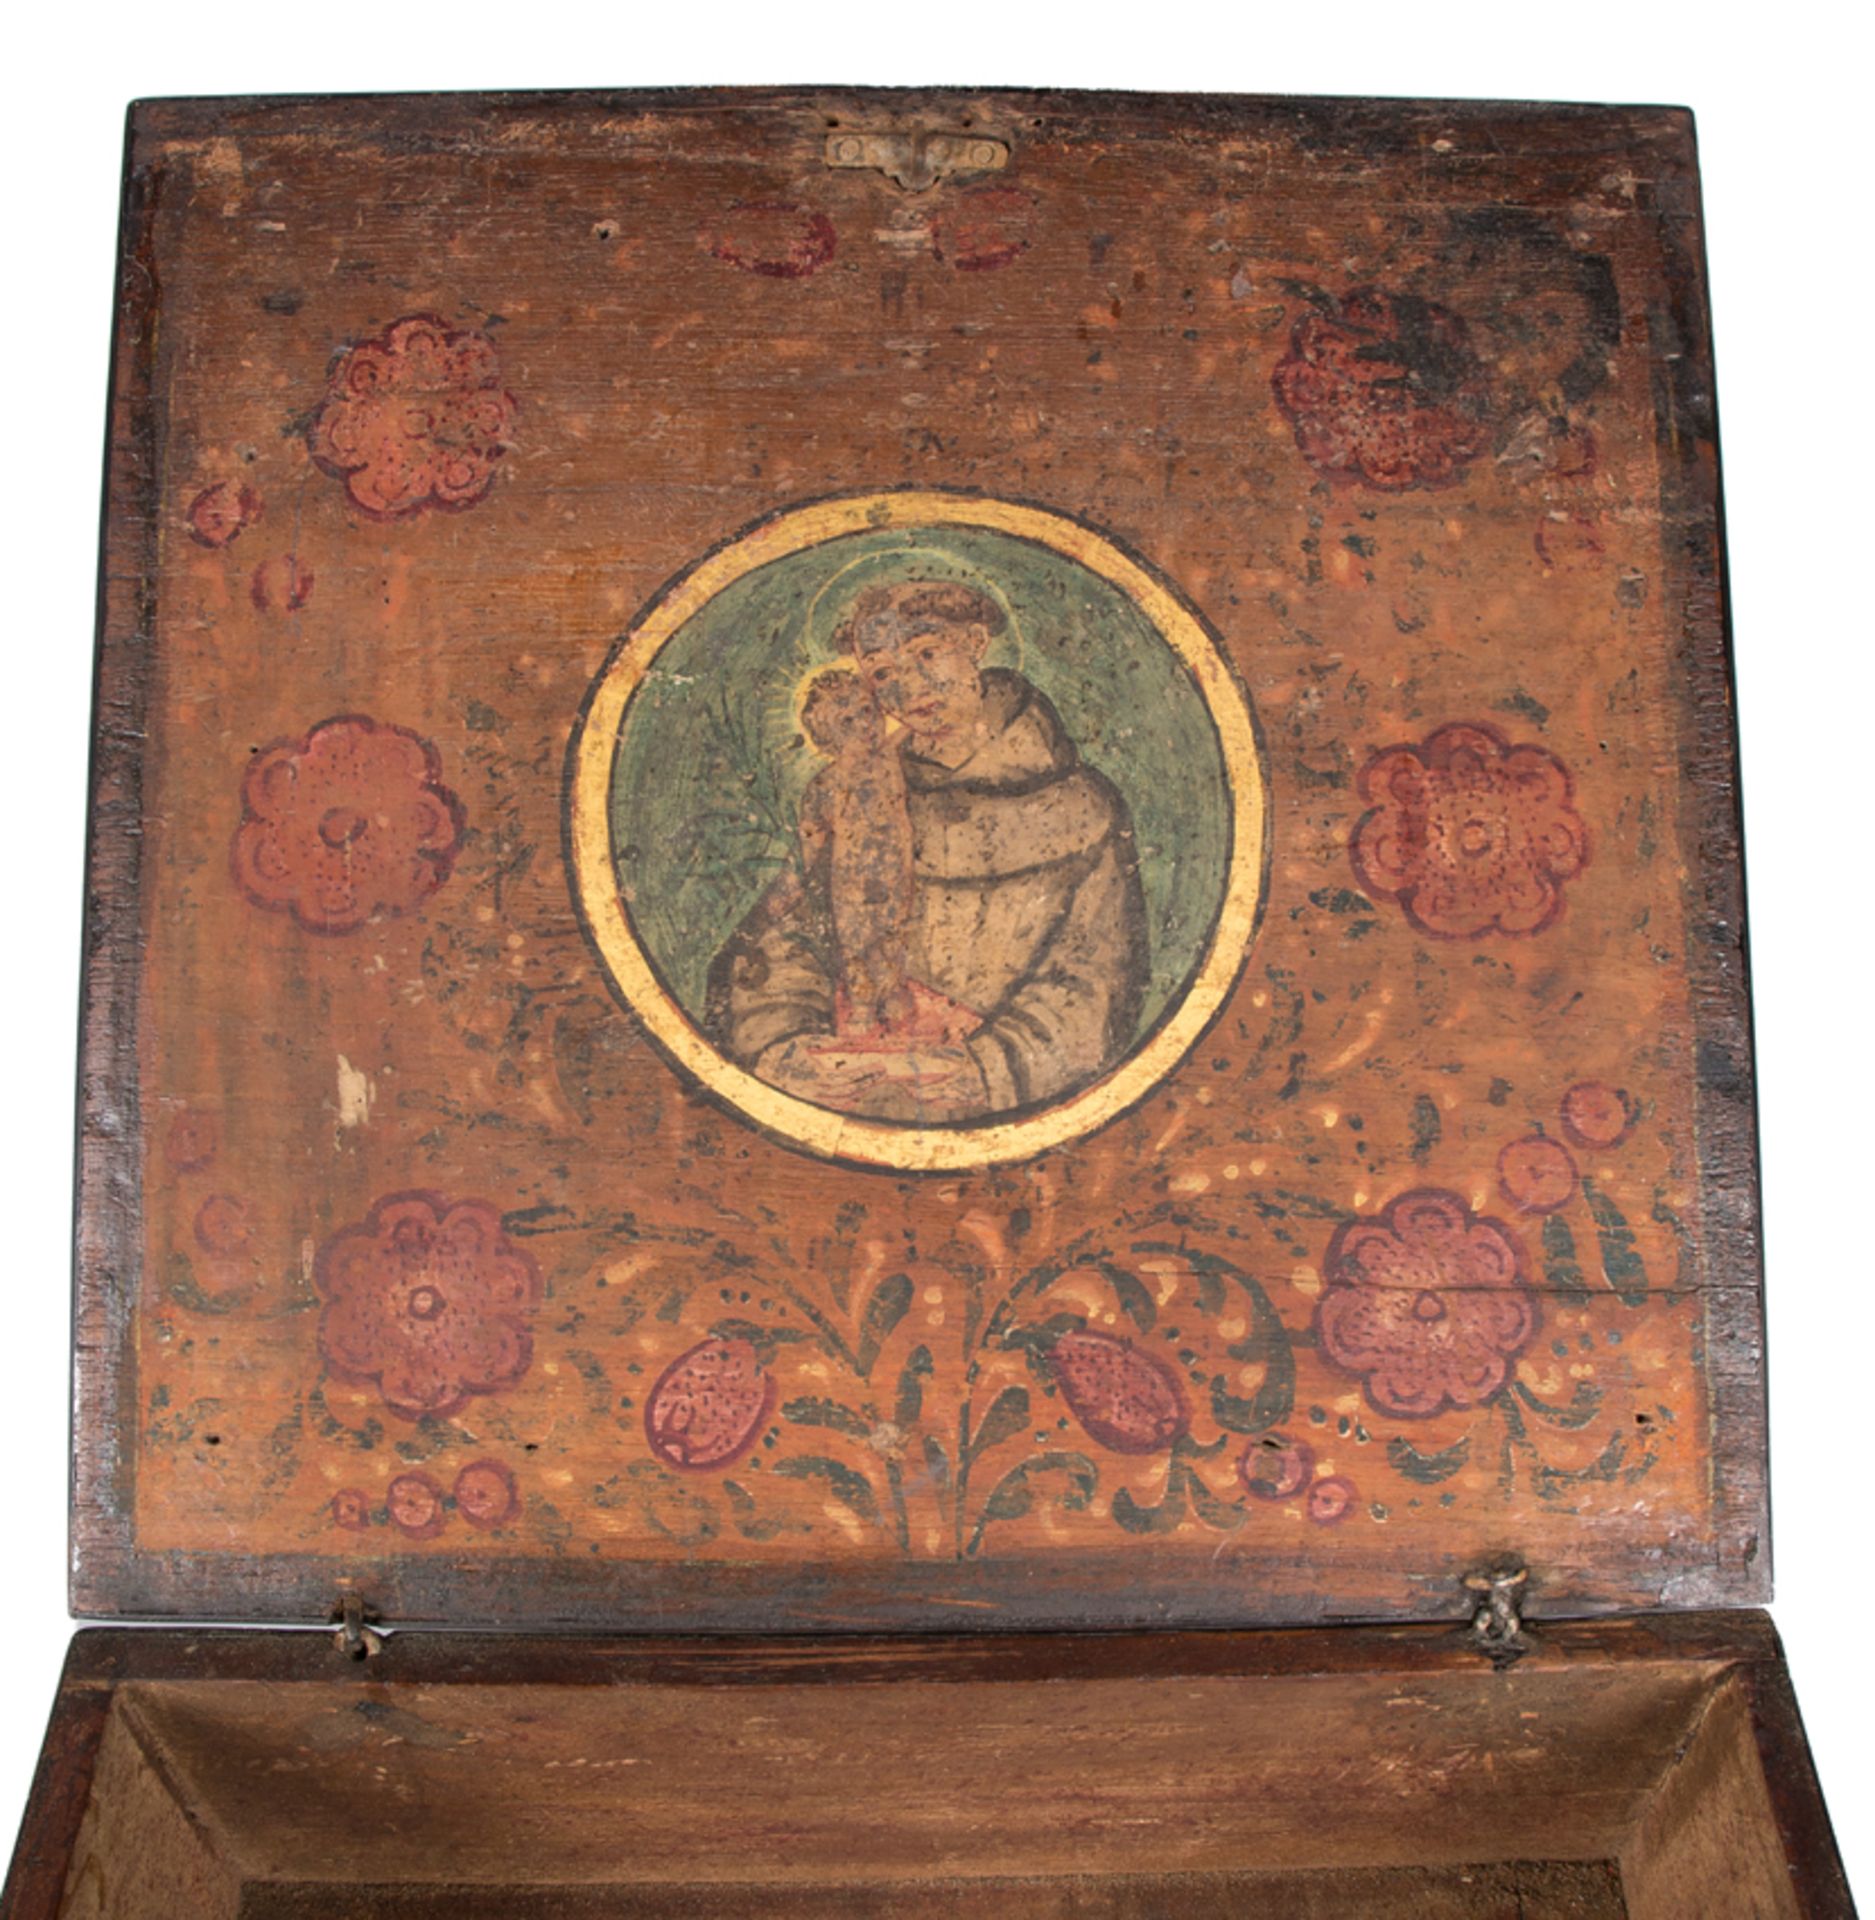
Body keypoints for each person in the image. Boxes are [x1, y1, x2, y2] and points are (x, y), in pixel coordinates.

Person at [705, 578, 1149, 1123]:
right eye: (883, 673)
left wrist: (985, 1070)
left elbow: (1093, 985)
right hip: (849, 1090)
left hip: (997, 1104)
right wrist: (788, 1051)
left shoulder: (1081, 805)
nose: (909, 687)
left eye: (927, 653)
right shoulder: (859, 794)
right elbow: (784, 947)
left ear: (976, 645)